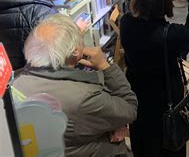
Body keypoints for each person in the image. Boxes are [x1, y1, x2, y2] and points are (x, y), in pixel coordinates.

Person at [13, 14, 137, 156]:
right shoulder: (84, 97)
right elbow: (129, 108)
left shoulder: (17, 81)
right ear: (76, 51)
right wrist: (105, 65)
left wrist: (112, 121)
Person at [120, 0, 189, 157]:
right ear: (165, 3)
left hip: (137, 92)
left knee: (142, 139)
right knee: (169, 142)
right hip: (166, 94)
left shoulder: (125, 22)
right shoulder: (170, 34)